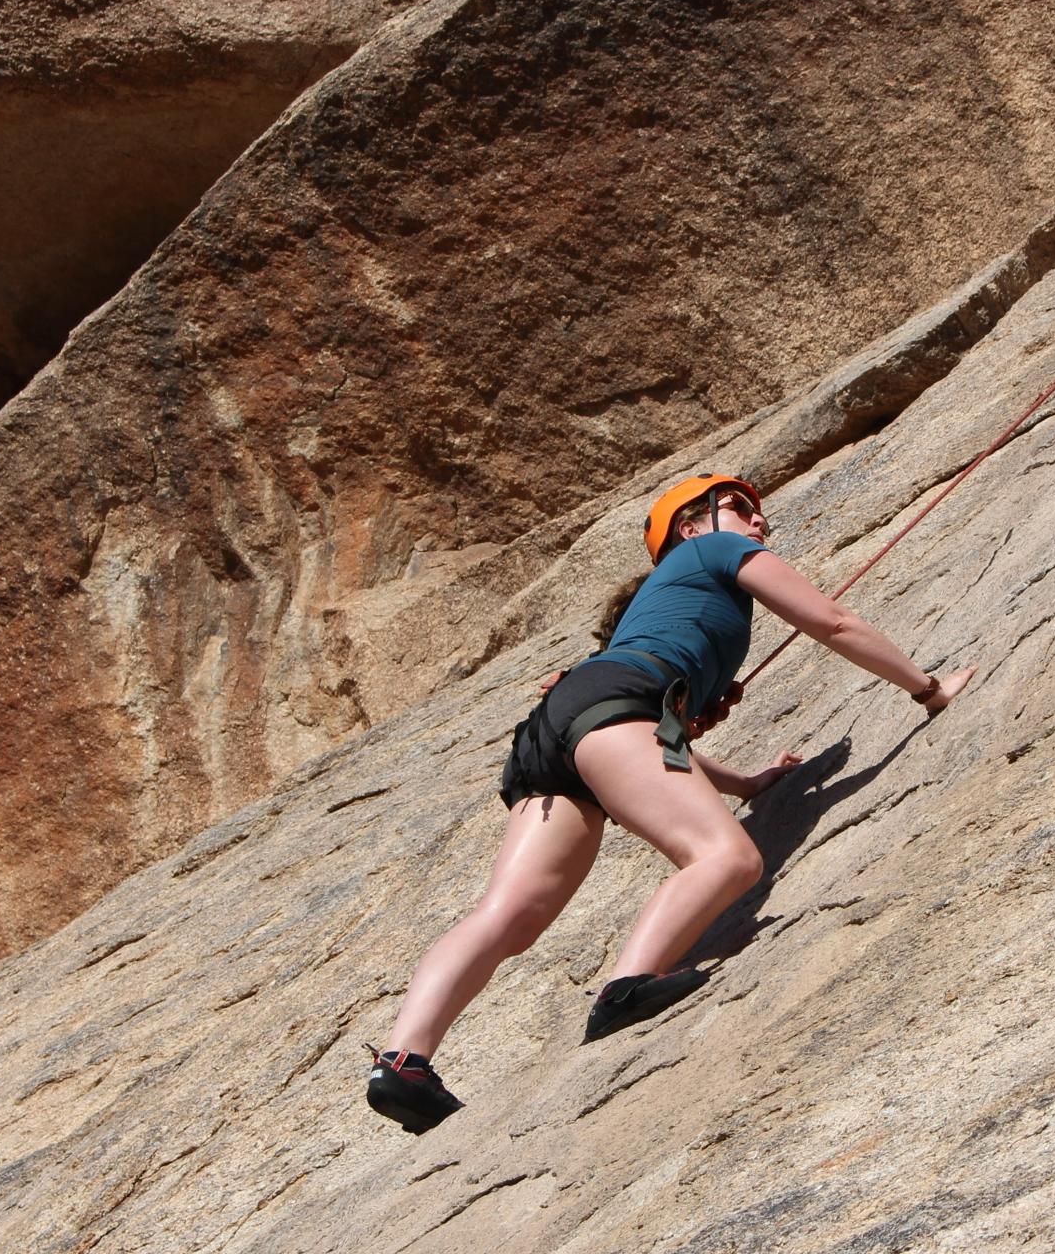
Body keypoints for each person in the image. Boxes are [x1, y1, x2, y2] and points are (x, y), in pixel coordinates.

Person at [364, 473, 977, 1132]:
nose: (758, 521)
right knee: (727, 858)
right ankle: (626, 987)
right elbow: (831, 619)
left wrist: (743, 782)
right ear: (691, 525)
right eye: (739, 507)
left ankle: (404, 1063)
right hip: (613, 705)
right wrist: (929, 688)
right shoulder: (711, 554)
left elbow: (639, 738)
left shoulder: (662, 609)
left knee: (509, 913)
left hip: (562, 726)